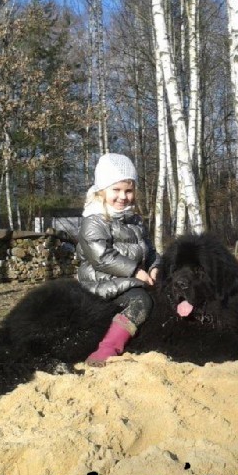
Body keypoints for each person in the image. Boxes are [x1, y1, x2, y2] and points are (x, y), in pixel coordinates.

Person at [76, 153, 161, 366]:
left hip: (129, 281)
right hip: (102, 283)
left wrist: (155, 267)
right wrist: (135, 271)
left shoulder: (134, 221)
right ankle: (107, 348)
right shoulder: (94, 221)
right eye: (116, 190)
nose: (123, 196)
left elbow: (149, 250)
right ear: (102, 190)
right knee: (140, 301)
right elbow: (101, 257)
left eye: (128, 191)